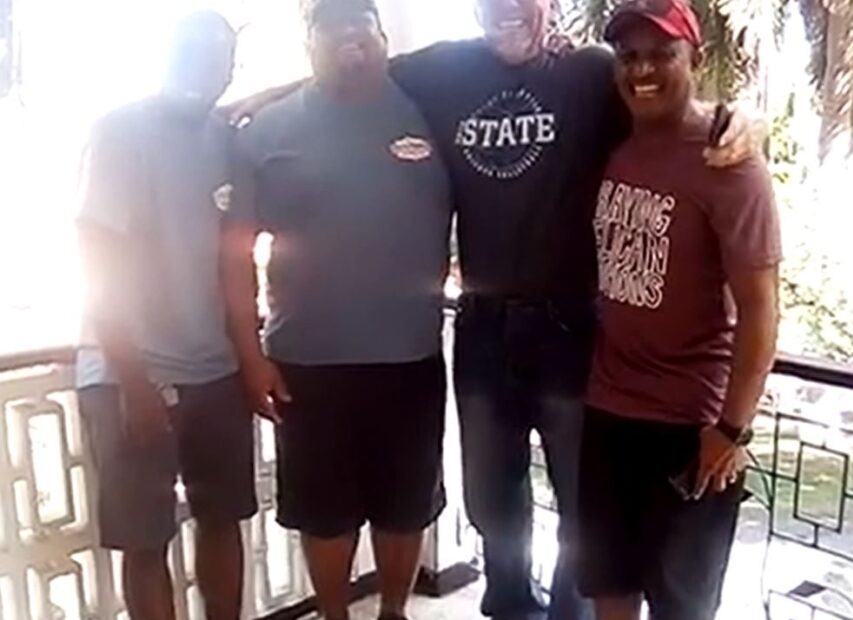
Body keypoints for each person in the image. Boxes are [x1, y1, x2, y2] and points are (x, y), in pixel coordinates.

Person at [224, 1, 760, 618]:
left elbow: (664, 87)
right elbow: (357, 62)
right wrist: (262, 97)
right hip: (482, 328)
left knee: (581, 502)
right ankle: (509, 604)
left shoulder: (588, 71)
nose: (507, 10)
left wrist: (735, 116)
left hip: (570, 326)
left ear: (550, 8)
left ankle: (568, 613)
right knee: (492, 502)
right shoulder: (447, 69)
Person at [219, 2, 452, 619]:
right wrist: (250, 356)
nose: (350, 38)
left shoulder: (430, 108)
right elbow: (234, 256)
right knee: (323, 510)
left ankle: (394, 613)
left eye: (362, 26)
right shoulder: (266, 133)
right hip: (306, 361)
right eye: (332, 27)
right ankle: (334, 614)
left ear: (381, 38)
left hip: (411, 356)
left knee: (405, 503)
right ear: (309, 41)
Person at [576, 2, 781, 619]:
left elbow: (761, 309)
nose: (643, 69)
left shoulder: (732, 163)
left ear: (696, 58)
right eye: (630, 56)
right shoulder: (612, 141)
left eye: (662, 54)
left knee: (681, 604)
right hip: (609, 410)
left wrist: (731, 428)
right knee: (609, 585)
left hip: (693, 426)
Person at [75, 11, 255, 620]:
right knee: (146, 540)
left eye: (220, 58)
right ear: (166, 55)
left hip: (216, 370)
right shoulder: (118, 131)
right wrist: (134, 380)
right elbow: (96, 256)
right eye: (194, 53)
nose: (206, 68)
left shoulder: (225, 137)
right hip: (132, 376)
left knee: (223, 518)